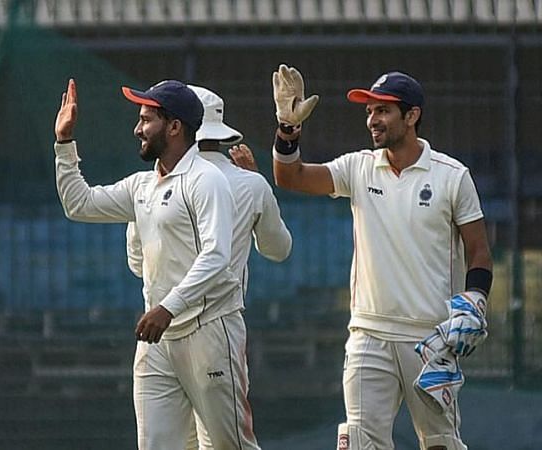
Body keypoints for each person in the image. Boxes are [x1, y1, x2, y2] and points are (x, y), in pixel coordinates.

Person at [270, 66, 493, 450]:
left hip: (430, 337)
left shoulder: (452, 176)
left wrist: (475, 300)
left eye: (383, 111)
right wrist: (287, 130)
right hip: (368, 334)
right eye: (370, 112)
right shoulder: (359, 166)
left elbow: (479, 251)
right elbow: (292, 178)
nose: (373, 120)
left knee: (439, 441)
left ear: (412, 116)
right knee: (359, 442)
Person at [54, 78, 261, 449]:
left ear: (175, 126)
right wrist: (65, 143)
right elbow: (78, 204)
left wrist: (168, 307)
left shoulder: (206, 179)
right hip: (157, 342)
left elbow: (218, 256)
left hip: (209, 332)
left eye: (146, 119)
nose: (138, 129)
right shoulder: (142, 186)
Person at [125, 85, 293, 450]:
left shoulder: (152, 187)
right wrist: (260, 186)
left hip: (166, 327)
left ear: (176, 127)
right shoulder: (249, 183)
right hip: (216, 328)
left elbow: (137, 263)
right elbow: (279, 250)